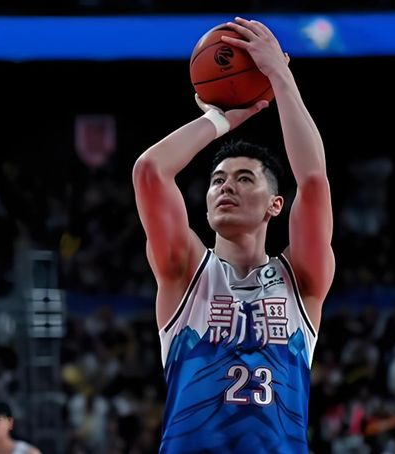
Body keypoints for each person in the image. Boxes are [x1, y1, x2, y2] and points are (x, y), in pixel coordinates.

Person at [132, 17, 335, 453]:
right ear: (206, 203)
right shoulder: (186, 271)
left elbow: (313, 181)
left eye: (244, 179)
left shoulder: (300, 279)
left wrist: (280, 76)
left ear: (275, 205)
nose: (226, 187)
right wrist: (218, 120)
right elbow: (150, 171)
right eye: (218, 180)